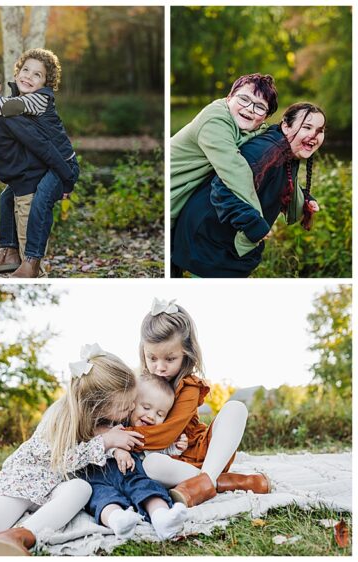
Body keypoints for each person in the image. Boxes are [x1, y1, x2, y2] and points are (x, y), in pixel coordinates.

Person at [0, 345, 142, 556]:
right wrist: (106, 442)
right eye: (125, 406)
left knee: (81, 489)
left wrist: (116, 448)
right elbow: (64, 460)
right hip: (26, 480)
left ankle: (19, 536)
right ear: (97, 405)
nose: (131, 409)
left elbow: (98, 447)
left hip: (54, 485)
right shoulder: (61, 418)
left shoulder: (102, 419)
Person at [134, 299, 270, 506]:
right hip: (170, 463)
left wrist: (121, 436)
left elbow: (167, 433)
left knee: (236, 408)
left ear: (186, 354)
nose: (159, 367)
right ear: (143, 352)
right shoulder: (139, 384)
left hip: (203, 455)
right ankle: (221, 482)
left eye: (169, 359)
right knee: (151, 464)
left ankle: (206, 478)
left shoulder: (189, 386)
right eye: (152, 358)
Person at [171, 103, 324, 277]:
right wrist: (254, 225)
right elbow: (222, 189)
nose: (314, 135)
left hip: (222, 236)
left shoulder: (286, 151)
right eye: (307, 127)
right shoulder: (264, 150)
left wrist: (304, 197)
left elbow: (275, 182)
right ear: (286, 126)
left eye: (320, 130)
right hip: (208, 237)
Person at [0, 49, 79, 278]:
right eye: (25, 70)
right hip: (47, 163)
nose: (28, 77)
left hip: (63, 165)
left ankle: (31, 261)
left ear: (46, 83)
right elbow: (2, 107)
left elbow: (4, 107)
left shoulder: (39, 99)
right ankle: (9, 251)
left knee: (39, 200)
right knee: (7, 197)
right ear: (17, 71)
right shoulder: (19, 98)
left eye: (37, 75)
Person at [169, 74, 278, 266]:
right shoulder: (215, 121)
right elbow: (235, 169)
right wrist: (255, 221)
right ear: (229, 97)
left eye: (259, 106)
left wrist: (303, 198)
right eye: (244, 99)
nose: (249, 109)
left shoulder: (249, 128)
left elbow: (272, 157)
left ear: (265, 118)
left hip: (183, 207)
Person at [79, 373, 189, 540]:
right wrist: (116, 449)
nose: (151, 416)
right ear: (131, 404)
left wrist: (175, 447)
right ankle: (118, 521)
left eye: (160, 414)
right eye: (146, 407)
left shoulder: (148, 432)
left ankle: (162, 519)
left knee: (150, 489)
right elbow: (94, 436)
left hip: (132, 476)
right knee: (102, 498)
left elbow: (156, 450)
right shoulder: (114, 421)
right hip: (98, 476)